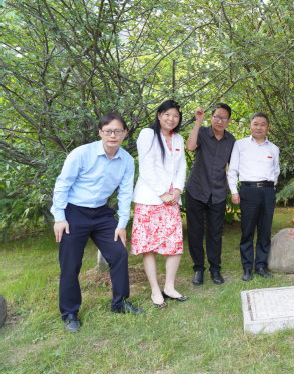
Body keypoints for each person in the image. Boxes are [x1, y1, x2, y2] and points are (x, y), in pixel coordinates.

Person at [51, 112, 141, 333]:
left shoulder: (127, 160)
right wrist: (60, 218)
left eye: (117, 131)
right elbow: (62, 184)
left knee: (118, 253)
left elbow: (125, 193)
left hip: (101, 213)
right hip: (74, 212)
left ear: (125, 133)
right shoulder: (81, 154)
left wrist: (122, 224)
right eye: (108, 131)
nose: (113, 135)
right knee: (71, 263)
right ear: (100, 132)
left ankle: (120, 303)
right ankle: (70, 313)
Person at [130, 100, 187, 308]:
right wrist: (162, 193)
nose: (171, 119)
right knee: (149, 246)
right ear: (159, 115)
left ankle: (169, 287)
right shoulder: (148, 134)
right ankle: (155, 290)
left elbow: (182, 166)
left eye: (175, 116)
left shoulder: (178, 138)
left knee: (175, 244)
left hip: (172, 199)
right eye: (167, 114)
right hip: (150, 199)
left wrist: (178, 190)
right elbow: (146, 166)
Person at [186, 103, 235, 286]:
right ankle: (198, 269)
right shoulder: (202, 133)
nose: (220, 121)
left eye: (224, 118)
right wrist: (198, 122)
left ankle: (215, 269)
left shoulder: (231, 140)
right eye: (217, 117)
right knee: (195, 232)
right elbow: (190, 147)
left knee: (215, 233)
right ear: (212, 117)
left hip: (218, 192)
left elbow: (234, 166)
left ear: (228, 121)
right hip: (196, 189)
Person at [227, 112, 280, 281]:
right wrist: (234, 191)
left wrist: (270, 189)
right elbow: (232, 170)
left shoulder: (273, 149)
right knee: (247, 230)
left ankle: (261, 266)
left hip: (268, 191)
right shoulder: (240, 145)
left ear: (267, 128)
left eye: (262, 124)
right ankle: (247, 268)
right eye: (255, 124)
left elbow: (276, 171)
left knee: (265, 231)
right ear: (250, 126)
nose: (259, 127)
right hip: (248, 191)